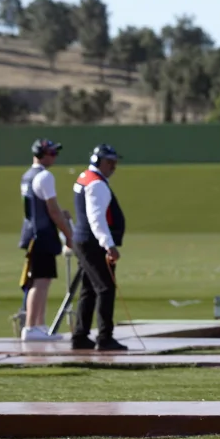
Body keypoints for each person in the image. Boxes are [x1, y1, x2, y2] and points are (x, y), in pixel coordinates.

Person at [71, 144, 127, 351]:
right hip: (93, 243)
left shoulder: (85, 177)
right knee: (105, 287)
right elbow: (97, 220)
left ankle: (80, 335)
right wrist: (109, 245)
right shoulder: (97, 184)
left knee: (89, 289)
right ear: (98, 161)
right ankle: (105, 337)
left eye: (114, 162)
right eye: (109, 162)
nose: (113, 166)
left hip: (85, 240)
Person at [18, 138, 74, 341]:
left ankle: (39, 325)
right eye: (52, 153)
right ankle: (32, 327)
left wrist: (61, 214)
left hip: (34, 233)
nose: (55, 157)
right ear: (41, 154)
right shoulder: (45, 176)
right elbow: (52, 210)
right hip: (43, 234)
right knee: (40, 282)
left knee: (42, 280)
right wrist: (69, 235)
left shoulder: (27, 176)